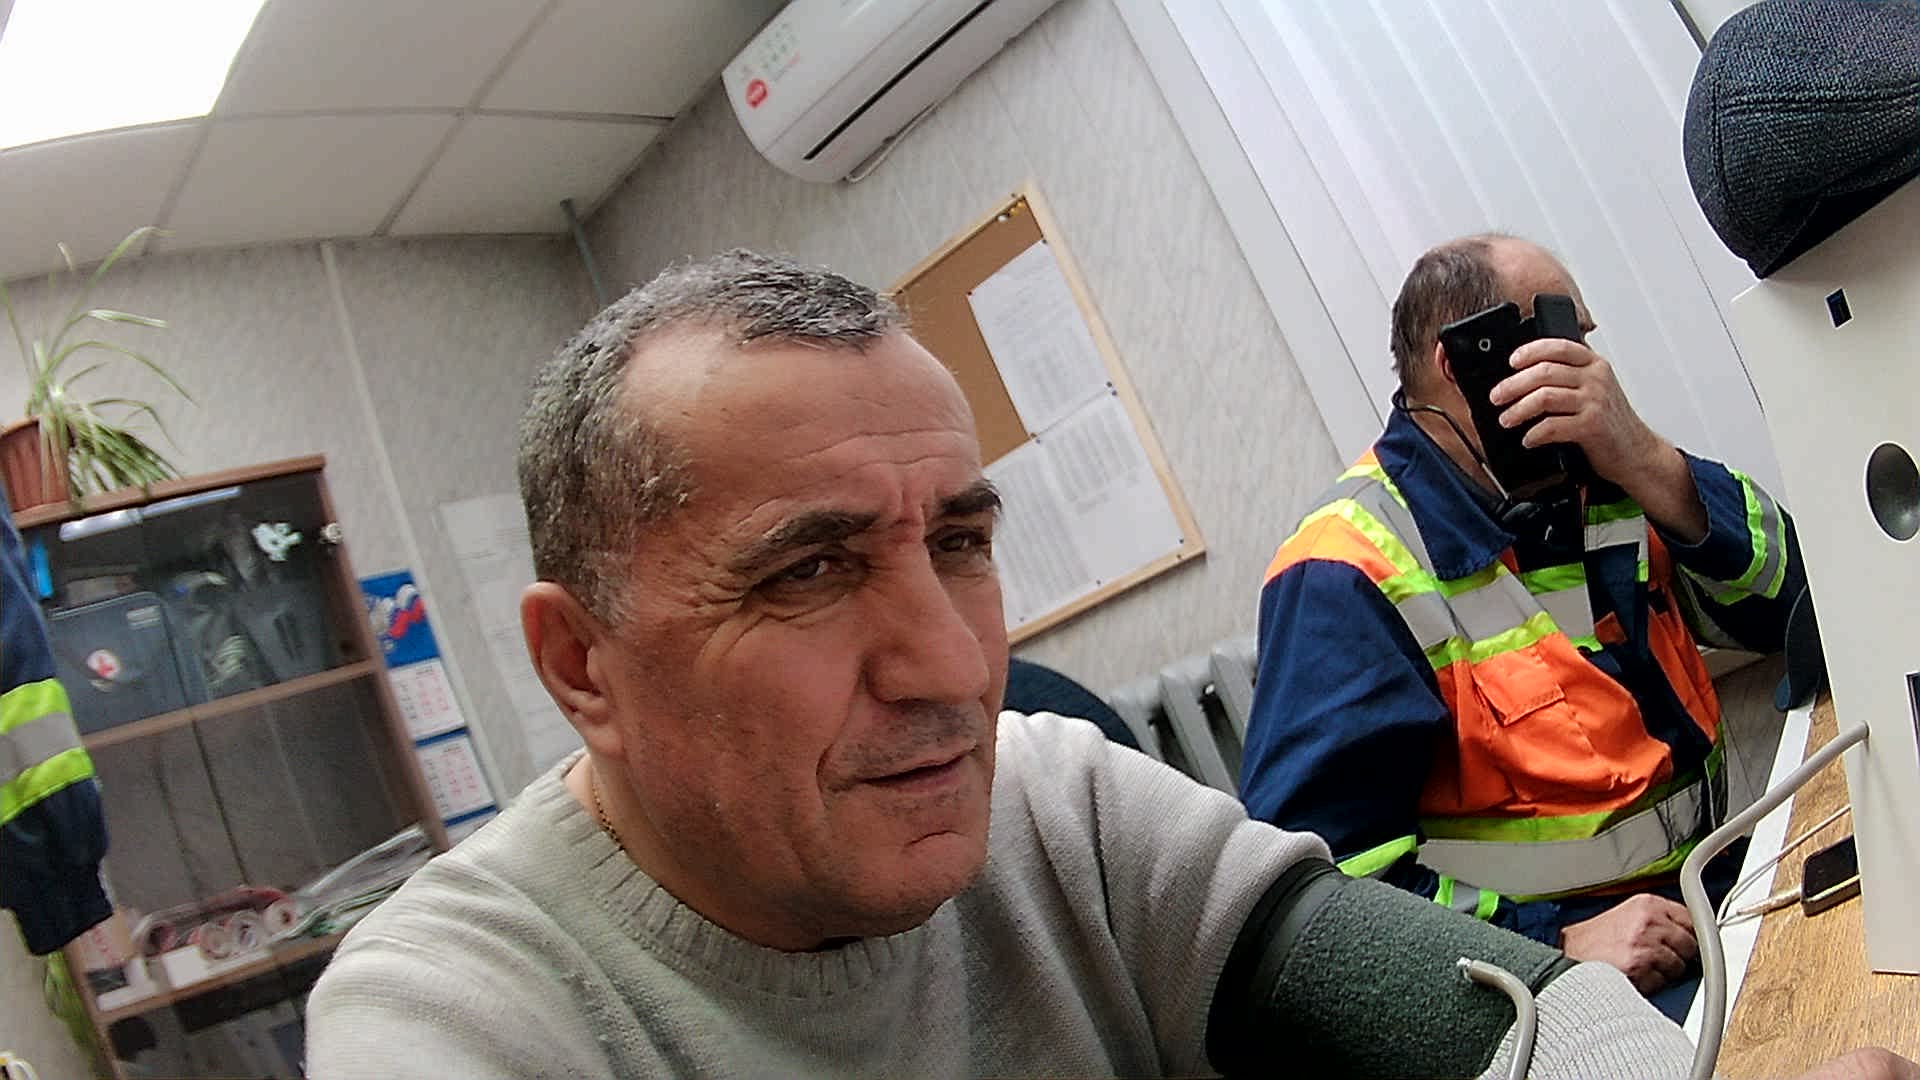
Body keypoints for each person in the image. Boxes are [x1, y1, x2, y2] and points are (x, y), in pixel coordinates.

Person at [304, 250, 1900, 1079]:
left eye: (962, 542)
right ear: (581, 664)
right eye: (808, 572)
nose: (953, 666)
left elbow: (1503, 1025)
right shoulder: (458, 1014)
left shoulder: (1050, 803)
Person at [1239, 233, 1801, 1020]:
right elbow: (1326, 905)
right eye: (1559, 335)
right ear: (1461, 361)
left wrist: (1645, 456)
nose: (1588, 367)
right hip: (1540, 990)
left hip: (1709, 895)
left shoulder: (1597, 476)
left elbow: (1792, 608)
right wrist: (1552, 945)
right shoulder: (1345, 569)